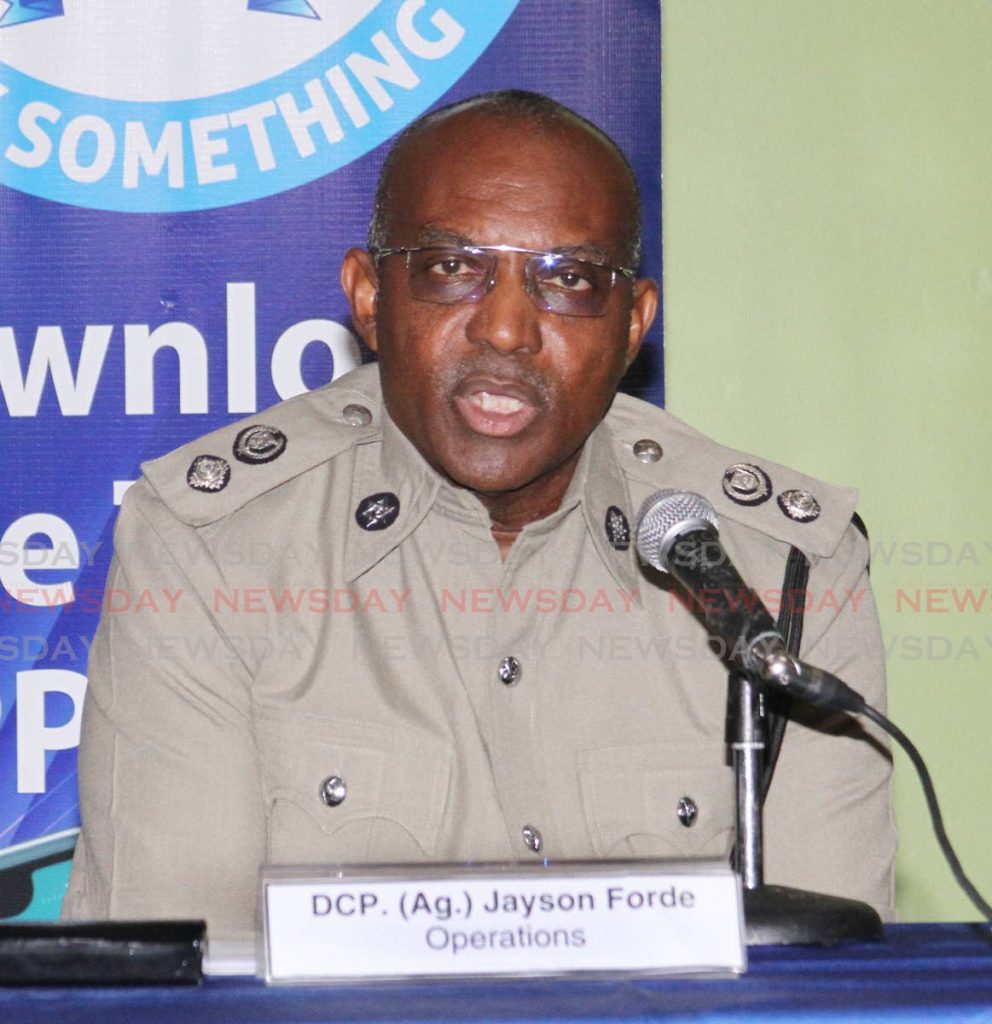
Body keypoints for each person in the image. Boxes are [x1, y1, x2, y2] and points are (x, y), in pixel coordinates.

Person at [63, 90, 896, 935]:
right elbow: (182, 981)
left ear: (632, 324)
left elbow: (833, 983)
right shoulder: (212, 548)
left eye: (568, 280)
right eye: (452, 268)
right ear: (369, 297)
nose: (505, 330)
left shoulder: (779, 574)